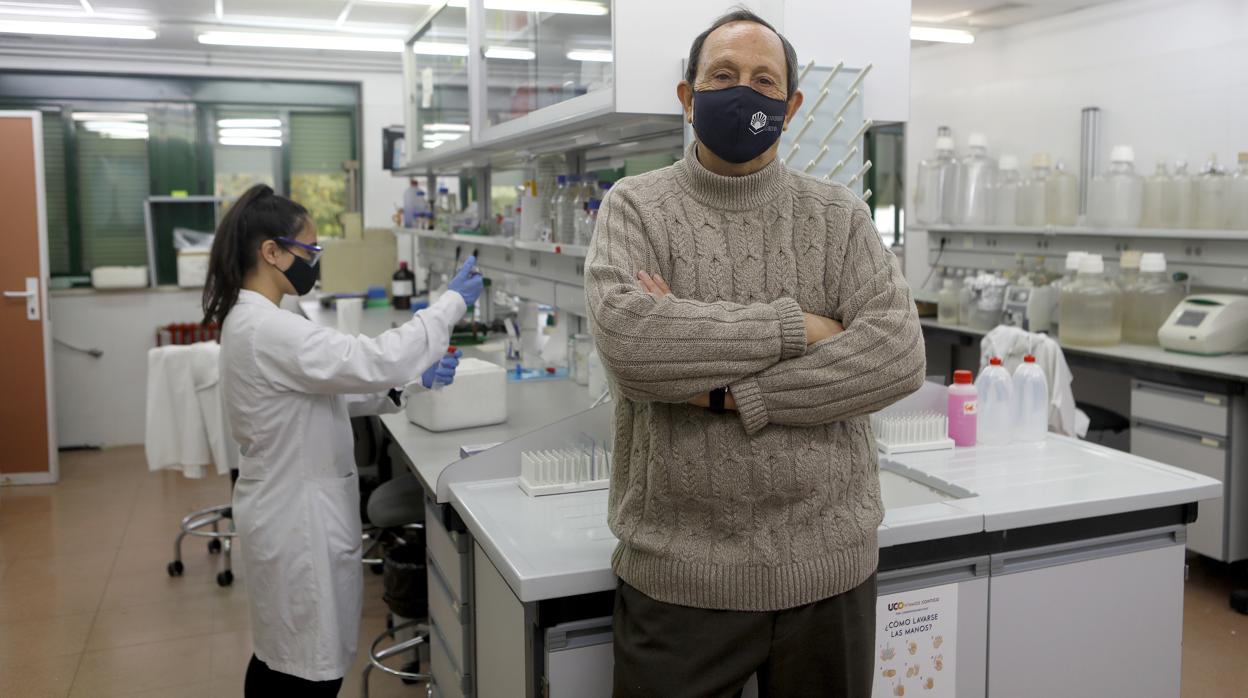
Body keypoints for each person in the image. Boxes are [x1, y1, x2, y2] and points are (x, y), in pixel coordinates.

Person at [583, 9, 925, 697]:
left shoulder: (838, 216)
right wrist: (798, 326)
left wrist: (734, 394)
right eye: (723, 76)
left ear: (791, 105)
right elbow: (633, 348)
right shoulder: (636, 208)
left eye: (764, 80)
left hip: (829, 572)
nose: (744, 92)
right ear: (688, 96)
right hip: (680, 577)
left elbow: (897, 353)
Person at [202, 184, 483, 696]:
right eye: (309, 252)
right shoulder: (268, 329)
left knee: (284, 657)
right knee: (302, 669)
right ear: (271, 252)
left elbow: (330, 393)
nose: (315, 263)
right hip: (297, 519)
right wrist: (448, 306)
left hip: (287, 507)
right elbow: (371, 360)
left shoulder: (261, 321)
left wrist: (412, 384)